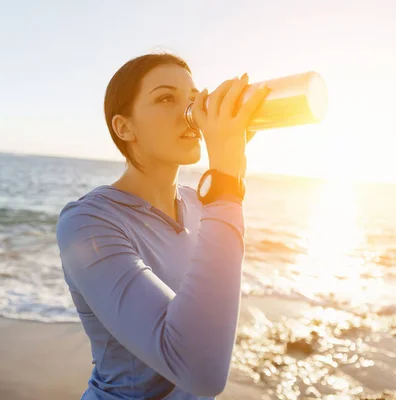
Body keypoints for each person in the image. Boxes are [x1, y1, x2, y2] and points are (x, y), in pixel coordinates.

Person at [56, 53, 270, 399]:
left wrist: (232, 166)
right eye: (166, 98)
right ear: (124, 127)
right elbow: (201, 372)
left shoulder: (204, 203)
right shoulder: (88, 222)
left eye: (193, 98)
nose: (189, 111)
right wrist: (226, 180)